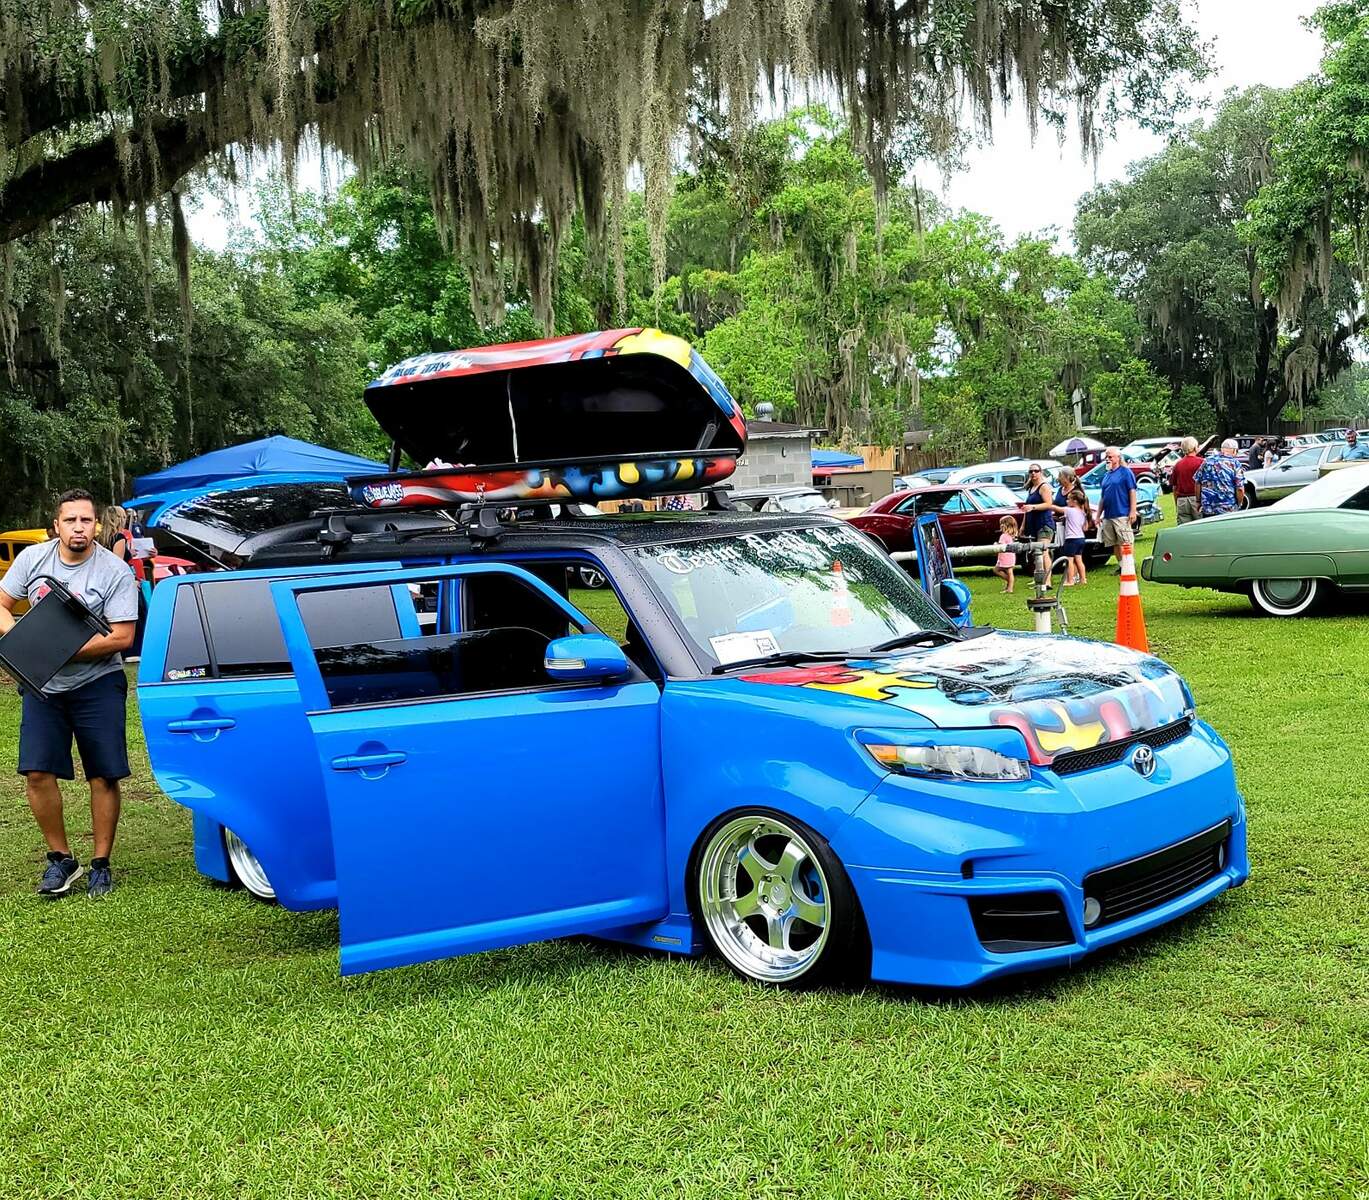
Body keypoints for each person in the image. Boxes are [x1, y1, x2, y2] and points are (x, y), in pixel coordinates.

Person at [0, 488, 139, 899]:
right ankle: (61, 859)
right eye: (71, 520)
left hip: (98, 682)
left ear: (96, 525)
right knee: (37, 772)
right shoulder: (32, 559)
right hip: (43, 684)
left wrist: (59, 650)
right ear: (56, 525)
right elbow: (2, 603)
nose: (79, 527)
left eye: (86, 520)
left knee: (103, 773)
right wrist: (21, 637)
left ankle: (100, 864)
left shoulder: (114, 570)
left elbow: (122, 637)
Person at [1097, 446, 1137, 567]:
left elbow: (1132, 491)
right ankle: (1121, 566)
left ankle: (1129, 566)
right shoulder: (1107, 475)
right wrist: (1098, 515)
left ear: (1118, 458)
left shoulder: (1125, 472)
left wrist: (1133, 510)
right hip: (1108, 515)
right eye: (1106, 457)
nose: (1107, 459)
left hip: (1122, 513)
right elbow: (1103, 497)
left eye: (1110, 457)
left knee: (1126, 541)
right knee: (1114, 543)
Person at [1020, 463, 1056, 573]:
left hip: (1044, 524)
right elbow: (1026, 509)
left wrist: (1033, 507)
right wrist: (1022, 526)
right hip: (1033, 525)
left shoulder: (1044, 486)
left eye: (1036, 471)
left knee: (1043, 551)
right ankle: (1039, 577)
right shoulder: (1031, 488)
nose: (1033, 473)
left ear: (1041, 472)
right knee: (1036, 553)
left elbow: (1049, 504)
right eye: (1031, 471)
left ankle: (1047, 579)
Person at [1195, 438, 1246, 517]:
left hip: (1208, 508)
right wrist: (1239, 504)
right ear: (1234, 450)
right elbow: (1240, 488)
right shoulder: (1235, 464)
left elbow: (1198, 482)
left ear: (1222, 449)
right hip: (1228, 508)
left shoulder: (1207, 461)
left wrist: (1198, 501)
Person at [1060, 488, 1092, 587]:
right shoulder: (1083, 512)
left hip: (1071, 539)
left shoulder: (1069, 510)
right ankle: (1083, 579)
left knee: (1069, 560)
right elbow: (1084, 528)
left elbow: (1055, 508)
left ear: (1075, 501)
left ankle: (1070, 580)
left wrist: (1046, 505)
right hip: (1081, 538)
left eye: (1068, 499)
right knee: (1079, 560)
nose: (1067, 501)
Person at [1170, 436, 1204, 525]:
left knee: (1184, 527)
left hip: (1182, 501)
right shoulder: (1201, 462)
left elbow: (1174, 487)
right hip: (1197, 499)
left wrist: (1176, 503)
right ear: (1195, 447)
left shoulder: (1178, 464)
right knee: (1201, 525)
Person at [993, 515, 1019, 593]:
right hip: (1010, 556)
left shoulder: (1004, 536)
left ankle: (1010, 586)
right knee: (1007, 571)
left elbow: (1000, 546)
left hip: (1005, 557)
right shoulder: (1011, 536)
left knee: (998, 570)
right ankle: (1010, 583)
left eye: (1001, 524)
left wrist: (995, 545)